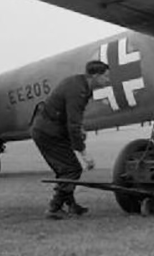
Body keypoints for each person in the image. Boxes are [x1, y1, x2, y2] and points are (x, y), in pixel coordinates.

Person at [31, 60, 110, 219]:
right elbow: (73, 123)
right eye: (106, 76)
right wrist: (83, 152)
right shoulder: (78, 90)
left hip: (49, 129)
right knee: (71, 169)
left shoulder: (80, 85)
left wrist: (79, 129)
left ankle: (71, 206)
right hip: (48, 132)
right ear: (95, 76)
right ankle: (54, 207)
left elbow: (71, 118)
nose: (108, 80)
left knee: (65, 170)